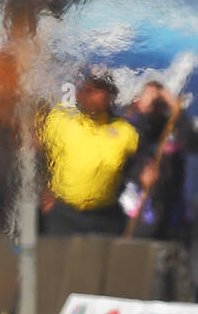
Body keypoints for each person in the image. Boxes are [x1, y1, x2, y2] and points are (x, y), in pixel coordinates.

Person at [39, 66, 140, 236]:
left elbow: (135, 168)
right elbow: (37, 153)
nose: (92, 94)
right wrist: (41, 189)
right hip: (64, 215)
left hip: (105, 218)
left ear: (111, 95)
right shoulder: (61, 120)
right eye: (88, 89)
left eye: (98, 90)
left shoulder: (125, 131)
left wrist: (144, 174)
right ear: (80, 92)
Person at [123, 80, 198, 242]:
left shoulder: (173, 127)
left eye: (159, 101)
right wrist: (140, 174)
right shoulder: (131, 126)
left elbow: (195, 144)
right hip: (140, 213)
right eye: (151, 99)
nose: (155, 103)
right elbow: (127, 157)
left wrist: (175, 106)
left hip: (174, 212)